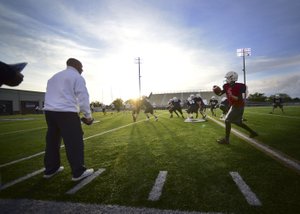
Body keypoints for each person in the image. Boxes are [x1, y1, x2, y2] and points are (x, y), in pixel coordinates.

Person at [43, 58, 94, 181]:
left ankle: (51, 169)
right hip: (66, 112)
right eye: (81, 67)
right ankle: (78, 172)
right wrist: (88, 116)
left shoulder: (53, 77)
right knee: (74, 141)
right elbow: (83, 97)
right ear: (76, 66)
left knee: (52, 141)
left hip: (49, 112)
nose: (82, 69)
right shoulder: (77, 77)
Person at [216, 71, 258, 144]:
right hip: (233, 106)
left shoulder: (240, 86)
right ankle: (253, 132)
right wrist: (216, 91)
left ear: (232, 78)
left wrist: (231, 95)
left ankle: (226, 140)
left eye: (228, 78)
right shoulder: (226, 86)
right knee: (238, 123)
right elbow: (220, 94)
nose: (226, 79)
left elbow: (238, 98)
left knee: (227, 121)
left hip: (238, 106)